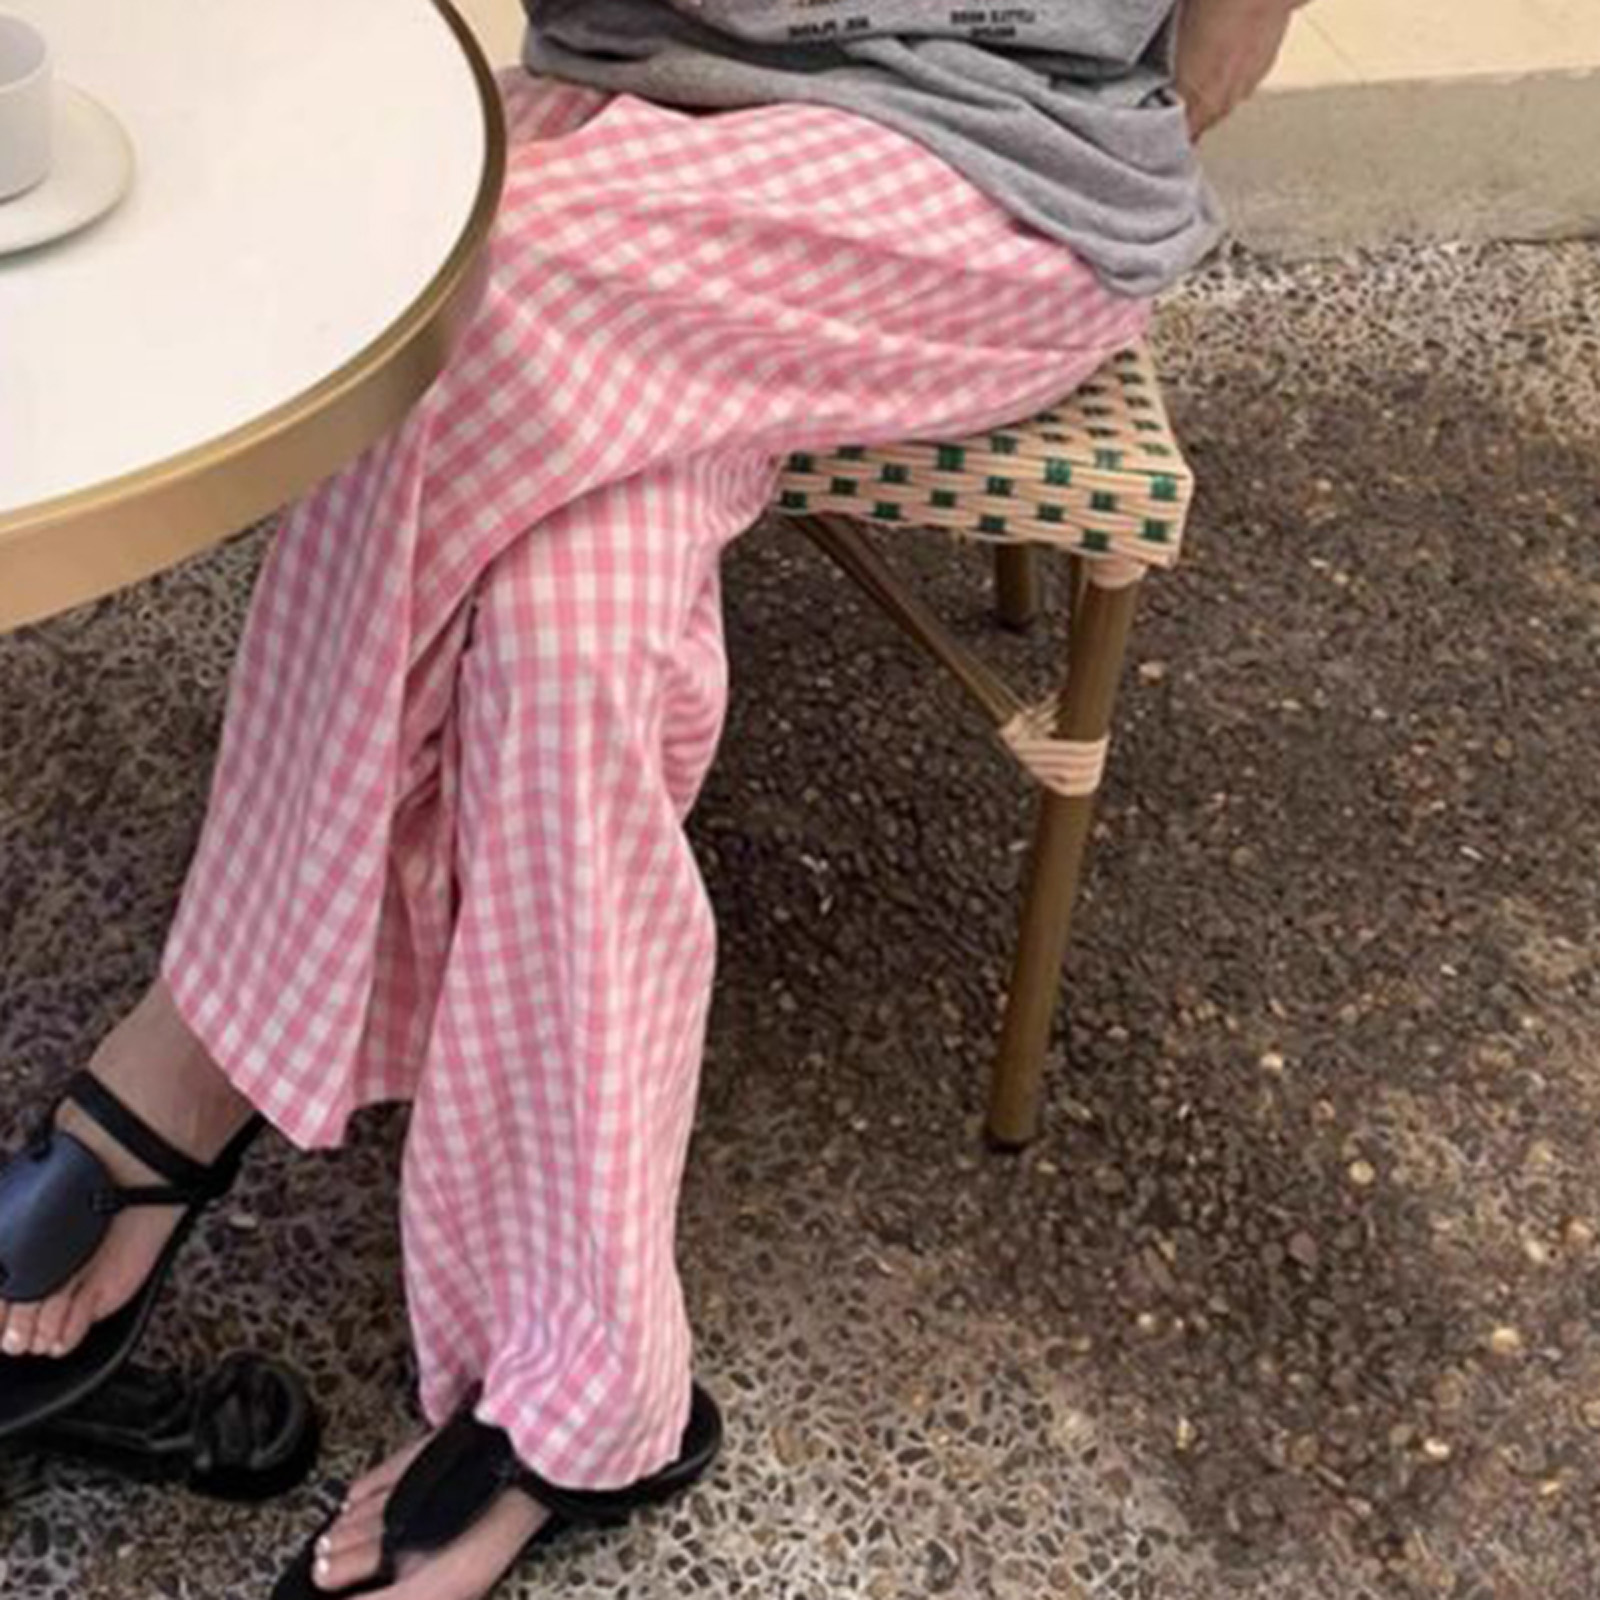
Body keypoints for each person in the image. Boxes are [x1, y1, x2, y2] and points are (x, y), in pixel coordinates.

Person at [0, 0, 1305, 1594]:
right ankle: (591, 1391)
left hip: (979, 165)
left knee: (454, 310)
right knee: (571, 649)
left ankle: (182, 1073)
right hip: (633, 113)